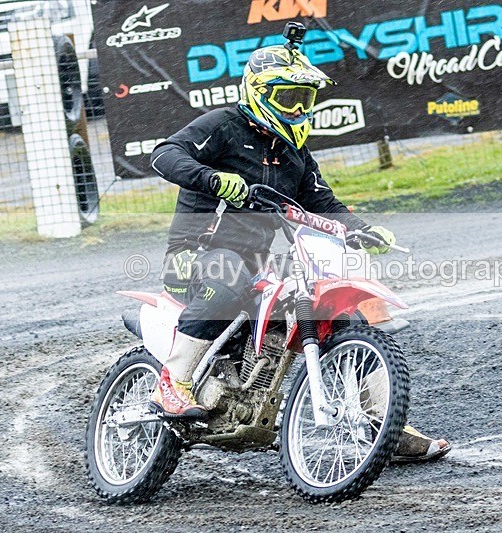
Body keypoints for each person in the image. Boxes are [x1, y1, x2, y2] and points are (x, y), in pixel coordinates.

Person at [148, 39, 449, 462]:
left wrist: (363, 231)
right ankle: (172, 382)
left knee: (339, 314)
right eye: (288, 98)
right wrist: (213, 179)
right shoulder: (223, 125)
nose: (298, 109)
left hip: (254, 262)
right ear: (259, 92)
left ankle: (385, 423)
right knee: (228, 276)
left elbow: (321, 202)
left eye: (305, 99)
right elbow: (164, 154)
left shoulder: (294, 153)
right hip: (195, 254)